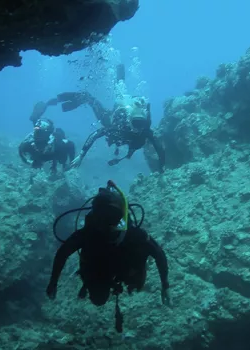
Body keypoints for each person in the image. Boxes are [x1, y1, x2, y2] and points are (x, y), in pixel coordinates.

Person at [46, 181, 170, 332]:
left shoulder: (132, 234)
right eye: (102, 221)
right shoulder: (89, 234)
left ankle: (127, 280)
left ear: (121, 219)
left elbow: (158, 253)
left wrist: (165, 285)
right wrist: (53, 282)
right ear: (96, 219)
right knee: (98, 299)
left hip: (121, 265)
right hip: (100, 267)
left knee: (134, 277)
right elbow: (62, 253)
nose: (108, 226)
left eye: (112, 220)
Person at [28, 64, 166, 171]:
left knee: (117, 92)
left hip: (123, 130)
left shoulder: (146, 131)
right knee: (90, 98)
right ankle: (57, 99)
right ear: (130, 121)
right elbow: (96, 134)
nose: (138, 128)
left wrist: (162, 165)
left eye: (141, 125)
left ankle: (119, 78)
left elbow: (159, 148)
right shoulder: (119, 125)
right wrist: (82, 155)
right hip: (110, 119)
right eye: (135, 124)